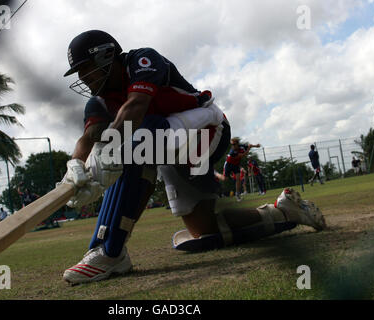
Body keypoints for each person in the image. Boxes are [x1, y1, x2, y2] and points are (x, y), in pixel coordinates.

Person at [59, 30, 327, 286]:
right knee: (205, 229)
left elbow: (136, 107)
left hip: (206, 127)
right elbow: (88, 136)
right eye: (79, 73)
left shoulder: (142, 60)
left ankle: (109, 250)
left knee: (133, 141)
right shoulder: (98, 101)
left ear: (106, 56)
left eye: (87, 69)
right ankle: (282, 212)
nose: (84, 78)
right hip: (165, 143)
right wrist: (75, 166)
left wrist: (107, 150)